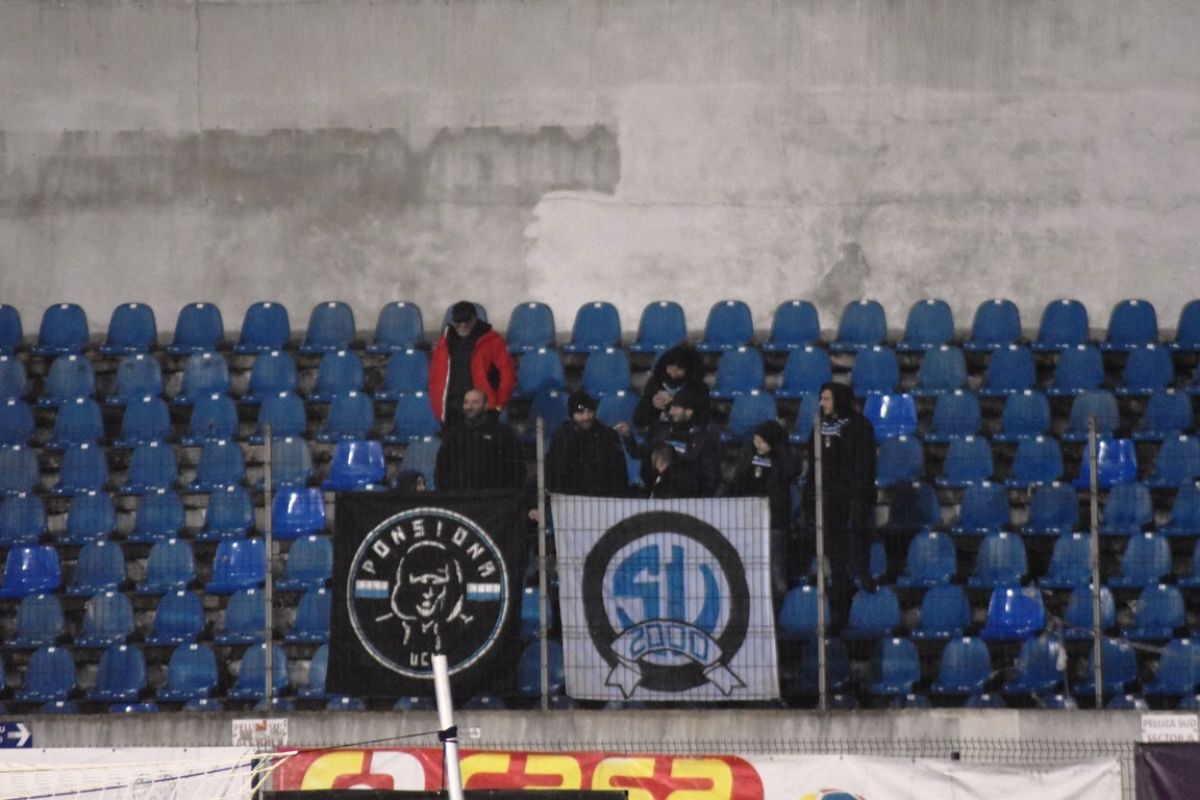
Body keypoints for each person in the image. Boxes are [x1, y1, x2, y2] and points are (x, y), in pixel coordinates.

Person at [802, 382, 877, 628]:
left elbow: (864, 467)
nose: (822, 403)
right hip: (828, 503)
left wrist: (857, 499)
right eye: (821, 398)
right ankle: (838, 615)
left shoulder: (860, 426)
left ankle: (860, 607)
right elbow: (813, 464)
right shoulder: (819, 425)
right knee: (836, 562)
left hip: (852, 503)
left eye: (827, 399)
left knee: (854, 557)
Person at [728, 420, 798, 597]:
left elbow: (790, 472)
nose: (757, 444)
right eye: (756, 440)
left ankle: (779, 608)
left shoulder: (784, 460)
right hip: (749, 520)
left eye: (762, 441)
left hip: (774, 522)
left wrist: (780, 451)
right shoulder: (749, 455)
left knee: (776, 573)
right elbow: (738, 480)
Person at [619, 385, 722, 495]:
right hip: (656, 491)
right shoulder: (661, 429)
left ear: (689, 411)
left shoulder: (704, 437)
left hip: (687, 495)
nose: (671, 411)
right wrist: (627, 436)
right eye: (672, 406)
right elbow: (639, 452)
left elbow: (710, 476)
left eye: (676, 407)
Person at [428, 301, 516, 425]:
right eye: (458, 321)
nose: (463, 325)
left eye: (467, 321)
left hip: (481, 409)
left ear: (475, 319)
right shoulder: (444, 343)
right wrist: (438, 407)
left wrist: (498, 404)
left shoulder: (493, 341)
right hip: (450, 409)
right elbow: (434, 376)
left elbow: (508, 374)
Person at [435, 389, 526, 491]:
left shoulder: (501, 433)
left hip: (494, 496)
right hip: (460, 496)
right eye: (466, 402)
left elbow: (515, 468)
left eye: (475, 402)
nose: (469, 407)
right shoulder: (454, 434)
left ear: (486, 405)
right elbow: (442, 467)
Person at [545, 391, 629, 496]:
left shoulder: (607, 436)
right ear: (572, 415)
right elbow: (554, 470)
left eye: (589, 411)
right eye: (580, 413)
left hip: (603, 498)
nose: (586, 417)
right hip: (569, 498)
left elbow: (619, 472)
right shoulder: (562, 437)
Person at [633, 343, 710, 428]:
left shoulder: (699, 388)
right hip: (657, 431)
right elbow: (639, 419)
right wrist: (651, 404)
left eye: (679, 369)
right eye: (670, 368)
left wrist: (672, 405)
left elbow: (702, 420)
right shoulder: (655, 382)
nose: (673, 373)